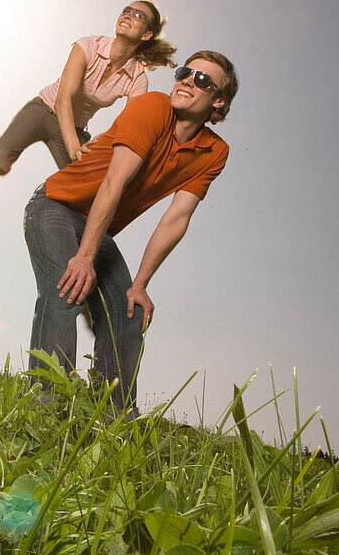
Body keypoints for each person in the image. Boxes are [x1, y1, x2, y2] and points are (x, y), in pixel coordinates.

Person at [23, 50, 239, 414]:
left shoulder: (214, 152)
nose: (187, 80)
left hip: (99, 228)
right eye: (186, 72)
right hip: (56, 204)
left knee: (128, 313)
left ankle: (116, 420)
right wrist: (85, 258)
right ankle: (45, 407)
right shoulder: (153, 106)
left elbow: (176, 218)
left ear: (219, 101)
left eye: (202, 80)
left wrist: (140, 284)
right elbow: (115, 181)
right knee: (67, 288)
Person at [0, 0, 177, 247]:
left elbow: (129, 127)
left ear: (147, 35)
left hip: (75, 129)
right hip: (43, 110)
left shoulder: (137, 79)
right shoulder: (88, 45)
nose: (127, 15)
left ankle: (85, 255)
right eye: (125, 10)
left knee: (93, 188)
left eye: (137, 15)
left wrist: (98, 147)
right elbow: (63, 100)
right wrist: (74, 147)